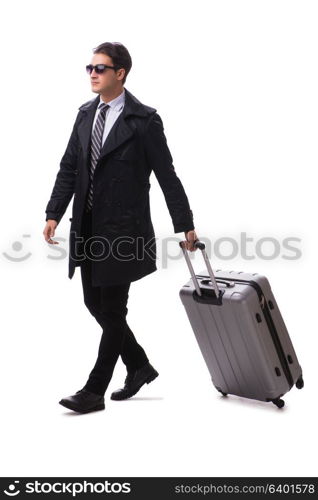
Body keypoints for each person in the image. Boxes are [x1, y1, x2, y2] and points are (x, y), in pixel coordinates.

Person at [43, 41, 198, 414]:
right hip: (88, 227)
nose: (92, 74)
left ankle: (94, 391)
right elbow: (69, 167)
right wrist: (53, 213)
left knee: (112, 308)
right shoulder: (85, 115)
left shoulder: (143, 121)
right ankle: (139, 365)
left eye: (100, 68)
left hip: (123, 231)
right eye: (90, 68)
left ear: (120, 73)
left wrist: (186, 225)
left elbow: (167, 176)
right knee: (93, 303)